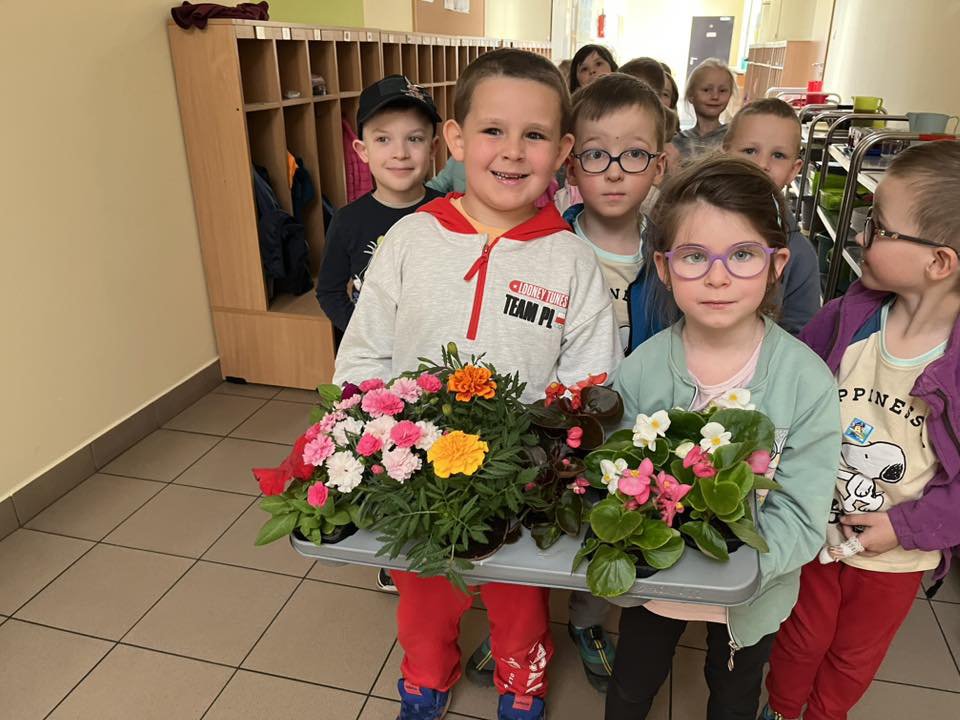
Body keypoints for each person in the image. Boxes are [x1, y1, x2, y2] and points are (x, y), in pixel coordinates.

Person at [333, 48, 621, 720]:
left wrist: (550, 459)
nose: (513, 151)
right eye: (493, 130)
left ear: (563, 151)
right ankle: (425, 678)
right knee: (423, 592)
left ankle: (523, 685)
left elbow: (591, 380)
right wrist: (366, 434)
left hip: (519, 477)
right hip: (414, 474)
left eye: (535, 134)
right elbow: (365, 350)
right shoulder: (410, 239)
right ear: (457, 139)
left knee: (520, 599)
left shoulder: (571, 261)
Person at [605, 157, 841, 720]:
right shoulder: (640, 369)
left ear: (776, 264)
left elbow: (803, 514)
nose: (717, 277)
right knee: (632, 684)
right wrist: (652, 549)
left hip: (752, 593)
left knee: (734, 695)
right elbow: (615, 476)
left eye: (742, 255)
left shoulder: (806, 382)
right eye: (693, 256)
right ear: (663, 268)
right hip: (654, 582)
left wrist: (733, 569)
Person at [761, 141, 960, 720]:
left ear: (938, 262)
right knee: (798, 635)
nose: (857, 234)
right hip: (814, 527)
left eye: (878, 227)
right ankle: (781, 709)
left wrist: (902, 526)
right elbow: (791, 382)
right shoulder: (850, 317)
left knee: (854, 655)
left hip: (897, 555)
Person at [315, 75, 442, 347]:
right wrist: (363, 333)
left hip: (436, 351)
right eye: (383, 139)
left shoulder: (452, 212)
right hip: (375, 355)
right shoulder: (347, 221)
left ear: (433, 148)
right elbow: (328, 291)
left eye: (414, 139)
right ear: (363, 150)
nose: (400, 153)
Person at [723, 98, 821, 334]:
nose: (762, 164)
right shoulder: (690, 228)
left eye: (778, 155)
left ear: (794, 170)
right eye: (750, 151)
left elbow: (801, 335)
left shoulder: (800, 254)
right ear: (724, 154)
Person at [672, 58, 735, 164]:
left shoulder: (734, 138)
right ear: (690, 95)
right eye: (706, 90)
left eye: (722, 90)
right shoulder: (677, 142)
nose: (715, 96)